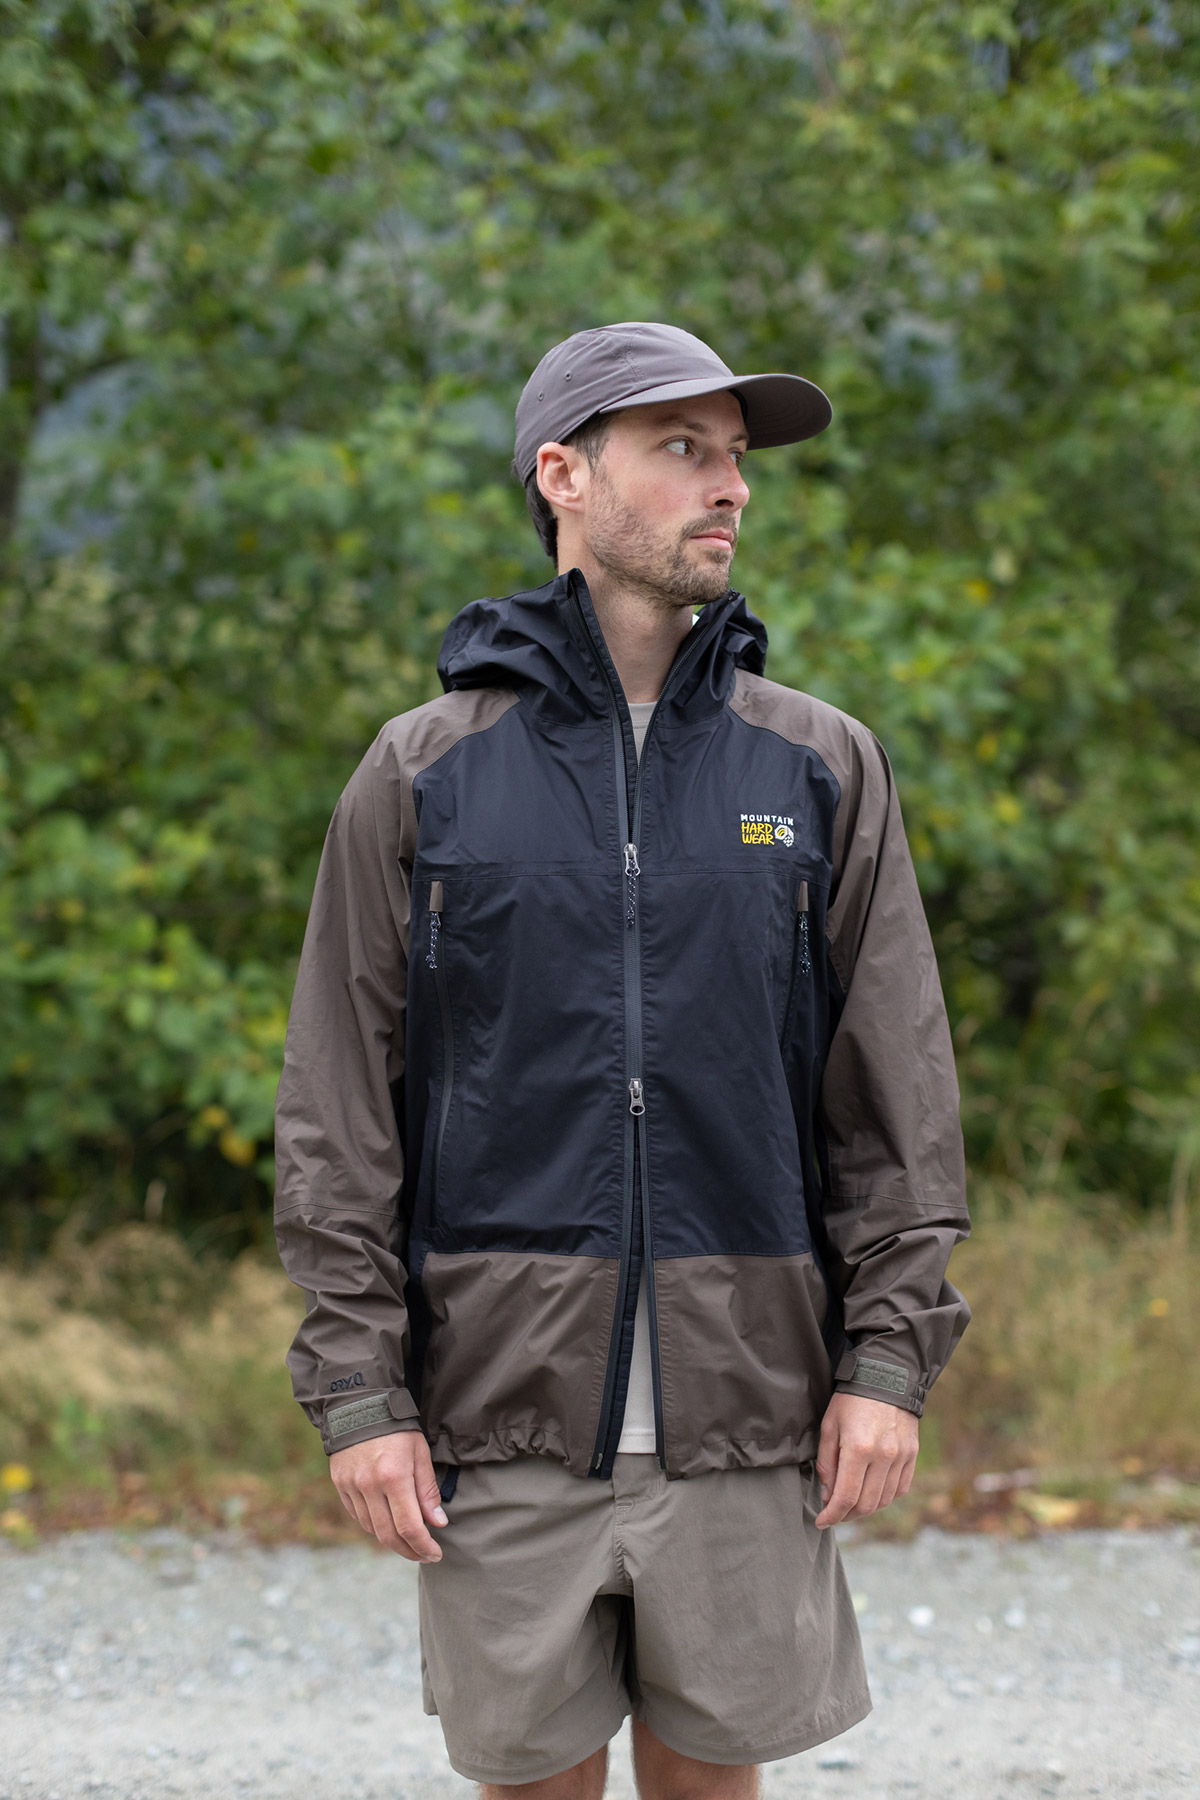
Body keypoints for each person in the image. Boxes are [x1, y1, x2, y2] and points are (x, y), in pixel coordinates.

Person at [274, 322, 971, 1798]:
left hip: (752, 1410)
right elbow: (338, 1111)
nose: (731, 488)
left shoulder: (820, 766)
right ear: (563, 475)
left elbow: (896, 1101)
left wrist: (889, 1364)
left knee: (713, 1778)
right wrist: (359, 1392)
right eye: (684, 450)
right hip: (500, 1412)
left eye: (737, 458)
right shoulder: (422, 772)